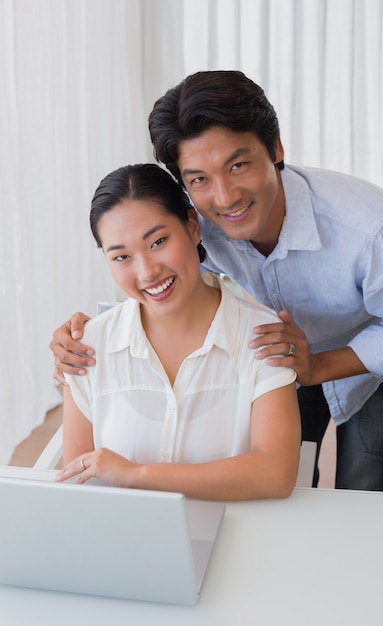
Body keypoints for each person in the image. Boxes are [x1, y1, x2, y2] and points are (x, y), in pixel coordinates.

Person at [51, 70, 383, 491]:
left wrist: (318, 365)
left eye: (238, 165)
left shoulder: (368, 227)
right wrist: (86, 334)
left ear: (276, 148)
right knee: (297, 484)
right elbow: (158, 276)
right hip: (279, 358)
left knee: (364, 485)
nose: (225, 198)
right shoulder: (195, 219)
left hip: (369, 361)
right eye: (200, 179)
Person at [54, 163, 301, 500]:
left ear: (192, 227)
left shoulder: (263, 335)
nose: (147, 272)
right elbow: (77, 485)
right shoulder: (85, 348)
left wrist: (137, 475)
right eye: (122, 256)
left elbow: (275, 474)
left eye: (157, 242)